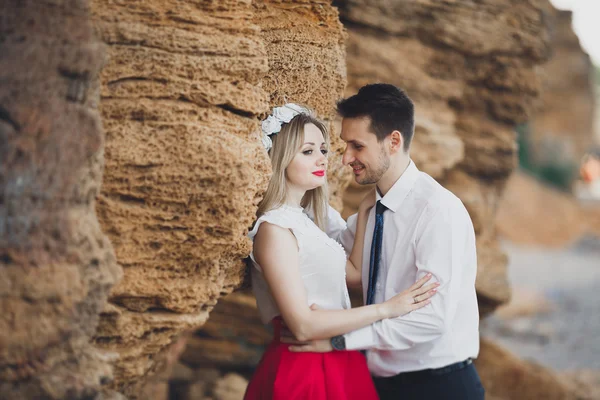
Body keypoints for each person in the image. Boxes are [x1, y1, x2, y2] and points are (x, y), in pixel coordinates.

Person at [287, 84, 485, 400]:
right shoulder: (373, 207)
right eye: (345, 146)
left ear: (393, 141)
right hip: (379, 383)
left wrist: (341, 340)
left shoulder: (437, 211)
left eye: (357, 146)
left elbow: (431, 318)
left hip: (437, 387)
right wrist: (300, 189)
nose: (346, 158)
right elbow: (335, 245)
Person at [243, 103, 439, 400]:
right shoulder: (274, 229)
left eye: (322, 150)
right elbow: (303, 325)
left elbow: (355, 275)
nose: (321, 158)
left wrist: (363, 212)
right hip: (303, 365)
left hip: (338, 358)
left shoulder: (307, 218)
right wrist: (387, 309)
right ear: (281, 158)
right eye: (307, 151)